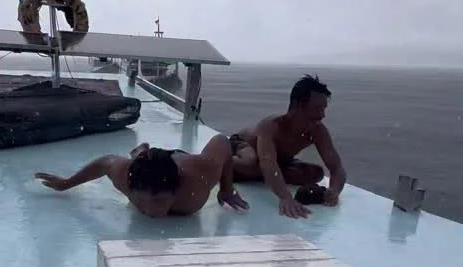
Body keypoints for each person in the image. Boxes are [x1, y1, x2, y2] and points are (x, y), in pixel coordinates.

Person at [34, 135, 249, 218]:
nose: (150, 210)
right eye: (141, 200)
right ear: (129, 187)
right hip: (142, 168)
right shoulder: (123, 176)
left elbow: (222, 142)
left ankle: (143, 152)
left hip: (180, 160)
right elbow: (104, 163)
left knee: (150, 161)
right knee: (139, 160)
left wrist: (226, 189)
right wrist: (66, 183)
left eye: (159, 200)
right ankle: (141, 152)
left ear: (177, 189)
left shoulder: (198, 181)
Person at [229, 74, 347, 219]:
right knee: (250, 161)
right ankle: (225, 165)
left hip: (276, 161)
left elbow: (337, 168)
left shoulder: (317, 130)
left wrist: (334, 190)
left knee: (315, 173)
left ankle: (260, 175)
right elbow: (267, 162)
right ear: (298, 106)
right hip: (243, 146)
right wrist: (285, 197)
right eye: (318, 108)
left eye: (324, 108)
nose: (322, 115)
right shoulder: (272, 125)